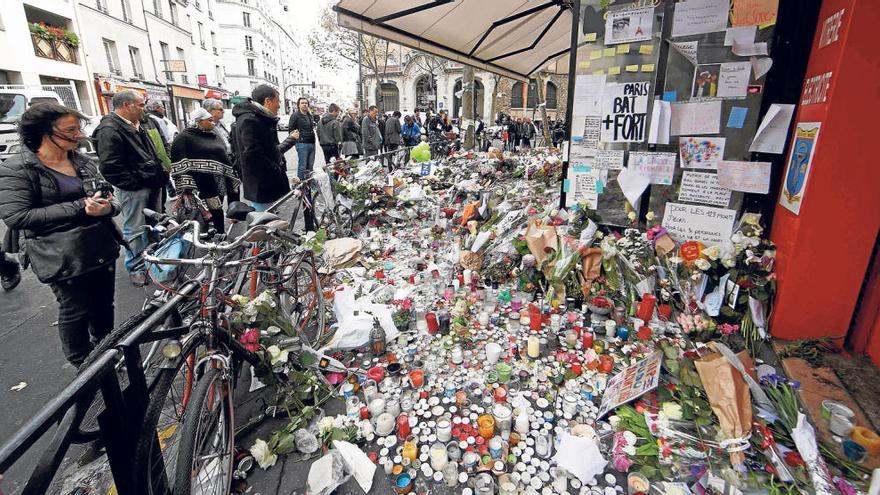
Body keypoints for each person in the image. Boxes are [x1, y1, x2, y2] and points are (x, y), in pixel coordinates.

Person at [0, 103, 122, 366]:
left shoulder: (82, 160)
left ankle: (107, 352)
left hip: (98, 246)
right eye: (70, 130)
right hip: (59, 253)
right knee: (75, 309)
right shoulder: (17, 168)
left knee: (103, 304)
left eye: (78, 128)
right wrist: (81, 206)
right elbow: (17, 216)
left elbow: (111, 198)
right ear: (45, 132)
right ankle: (82, 363)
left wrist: (107, 208)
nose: (78, 135)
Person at [93, 89, 169, 287]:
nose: (144, 109)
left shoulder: (138, 123)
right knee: (135, 228)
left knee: (154, 225)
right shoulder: (110, 129)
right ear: (126, 105)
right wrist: (134, 184)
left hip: (151, 183)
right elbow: (110, 166)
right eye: (140, 105)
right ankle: (136, 267)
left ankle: (154, 262)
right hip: (136, 188)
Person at [168, 108, 238, 233]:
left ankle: (217, 235)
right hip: (200, 184)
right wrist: (187, 186)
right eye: (209, 120)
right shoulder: (184, 137)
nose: (213, 123)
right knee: (206, 212)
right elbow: (179, 161)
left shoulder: (212, 135)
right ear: (199, 121)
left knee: (217, 209)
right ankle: (212, 236)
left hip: (217, 181)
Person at [230, 84, 297, 213]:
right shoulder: (250, 120)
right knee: (262, 223)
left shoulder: (257, 117)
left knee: (267, 219)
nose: (279, 106)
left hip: (263, 180)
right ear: (267, 101)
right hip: (260, 182)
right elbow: (253, 154)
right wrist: (275, 167)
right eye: (278, 101)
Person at [202, 98, 239, 204]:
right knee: (219, 192)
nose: (223, 111)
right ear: (210, 111)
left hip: (229, 160)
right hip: (217, 164)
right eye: (220, 109)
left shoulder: (221, 123)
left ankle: (234, 214)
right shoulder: (205, 127)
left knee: (234, 187)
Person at [287, 97, 316, 180]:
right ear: (298, 105)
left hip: (311, 143)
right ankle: (300, 186)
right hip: (302, 143)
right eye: (302, 103)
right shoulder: (295, 116)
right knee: (302, 166)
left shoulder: (309, 115)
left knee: (310, 166)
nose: (304, 104)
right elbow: (291, 130)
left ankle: (309, 184)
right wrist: (296, 142)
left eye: (306, 103)